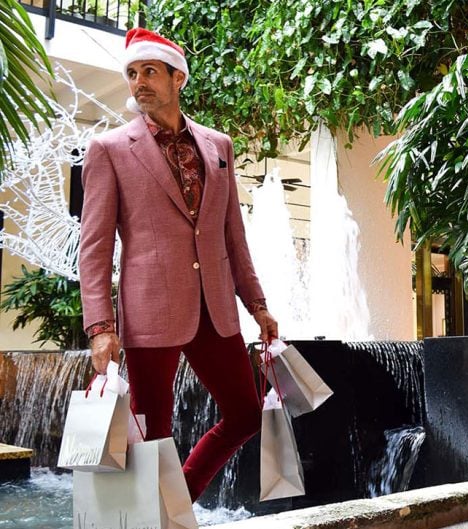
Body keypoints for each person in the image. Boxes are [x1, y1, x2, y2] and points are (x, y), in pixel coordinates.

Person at [78, 28, 278, 502]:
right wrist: (100, 326)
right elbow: (95, 246)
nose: (139, 82)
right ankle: (156, 516)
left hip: (215, 307)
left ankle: (176, 501)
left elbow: (234, 235)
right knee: (152, 437)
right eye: (131, 73)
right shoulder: (109, 150)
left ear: (177, 77)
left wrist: (258, 304)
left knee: (246, 414)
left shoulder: (217, 146)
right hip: (149, 310)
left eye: (149, 71)